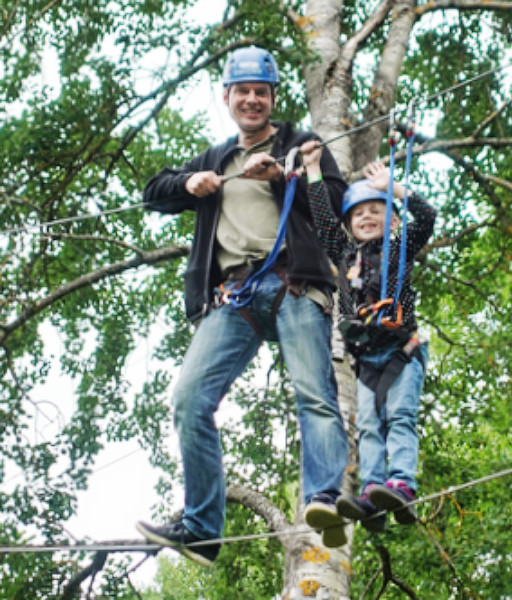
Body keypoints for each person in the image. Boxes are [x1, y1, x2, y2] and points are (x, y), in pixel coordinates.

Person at [136, 46, 351, 566]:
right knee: (189, 400)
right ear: (228, 98)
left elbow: (337, 206)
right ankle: (203, 529)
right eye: (243, 92)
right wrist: (190, 183)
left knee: (314, 395)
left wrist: (286, 175)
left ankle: (324, 499)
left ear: (272, 98)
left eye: (261, 92)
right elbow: (152, 192)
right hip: (233, 297)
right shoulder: (215, 160)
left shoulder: (301, 144)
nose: (252, 100)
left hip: (293, 282)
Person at [301, 142, 437, 533]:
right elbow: (324, 220)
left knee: (399, 417)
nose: (366, 218)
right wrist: (313, 170)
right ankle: (375, 489)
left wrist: (393, 188)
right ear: (349, 223)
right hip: (364, 358)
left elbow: (426, 217)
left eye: (376, 212)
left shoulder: (399, 247)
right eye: (359, 213)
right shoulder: (344, 254)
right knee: (369, 427)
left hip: (401, 351)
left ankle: (402, 484)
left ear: (392, 221)